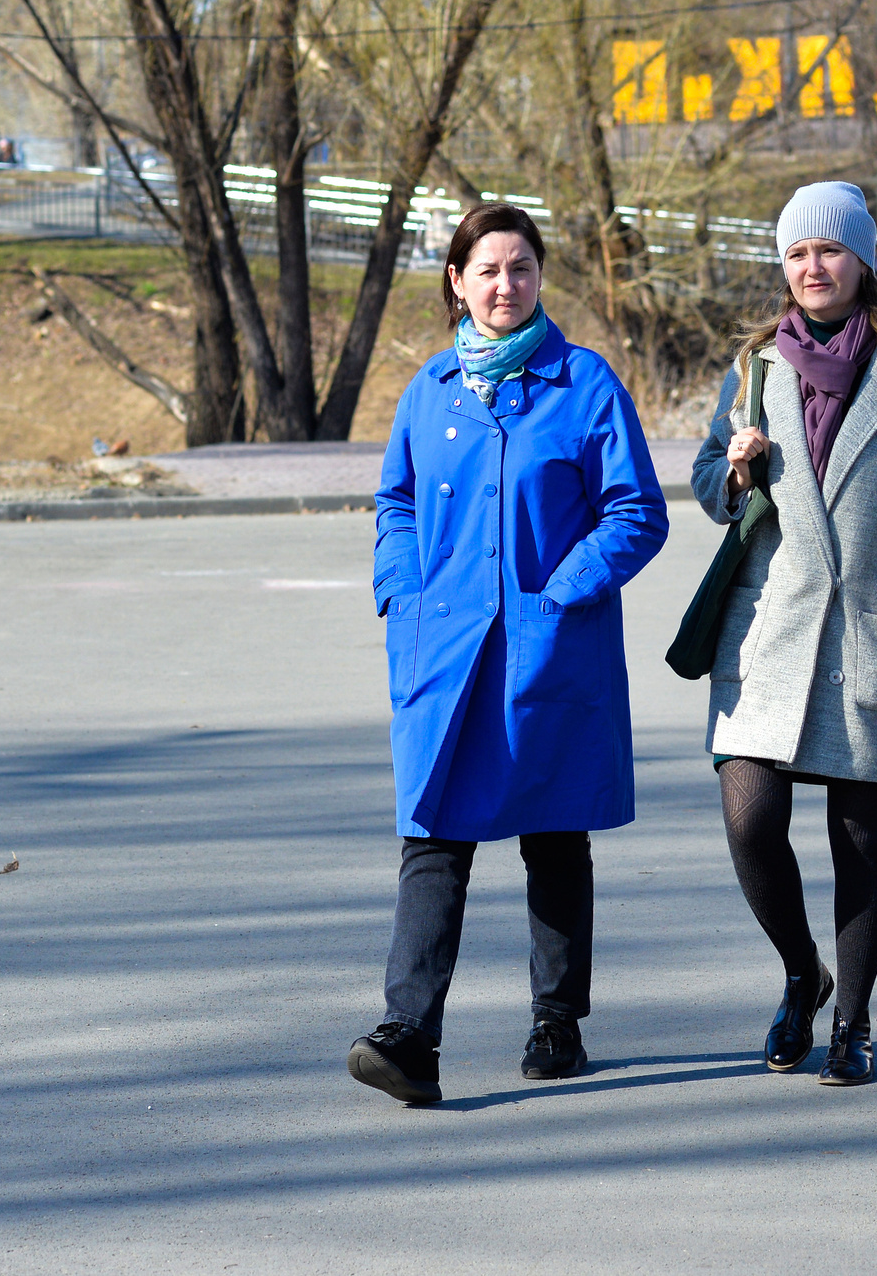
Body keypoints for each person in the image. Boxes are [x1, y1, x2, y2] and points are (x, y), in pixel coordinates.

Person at [348, 203, 668, 1104]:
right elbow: (396, 502)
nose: (504, 285)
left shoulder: (584, 383)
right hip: (444, 648)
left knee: (554, 832)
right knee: (433, 833)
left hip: (547, 647)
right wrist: (401, 589)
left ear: (539, 278)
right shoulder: (431, 389)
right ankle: (410, 1033)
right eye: (487, 269)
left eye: (520, 268)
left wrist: (562, 591)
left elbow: (637, 512)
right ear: (456, 279)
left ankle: (556, 1021)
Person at [690, 182, 877, 1086]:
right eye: (798, 253)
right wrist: (731, 472)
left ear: (862, 260)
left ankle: (853, 1020)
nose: (813, 266)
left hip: (869, 628)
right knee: (750, 817)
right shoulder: (756, 366)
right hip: (769, 627)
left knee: (858, 838)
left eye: (830, 250)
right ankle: (801, 971)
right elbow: (703, 477)